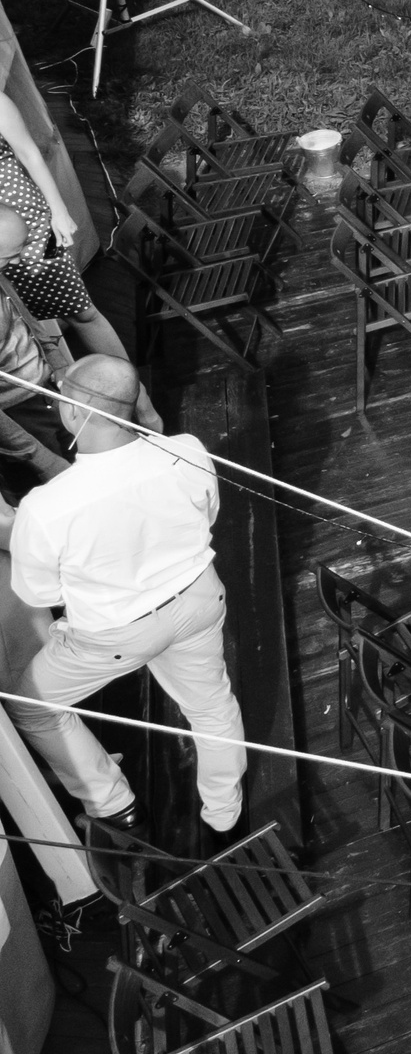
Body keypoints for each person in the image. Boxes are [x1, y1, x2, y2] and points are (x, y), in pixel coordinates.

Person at [5, 357, 247, 842]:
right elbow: (209, 515)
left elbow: (38, 592)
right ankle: (224, 810)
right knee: (212, 705)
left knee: (29, 704)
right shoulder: (187, 450)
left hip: (117, 635)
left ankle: (113, 804)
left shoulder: (46, 506)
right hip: (200, 600)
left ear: (74, 414)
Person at [0, 87, 129, 367]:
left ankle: (140, 402)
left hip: (27, 226)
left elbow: (29, 153)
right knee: (16, 327)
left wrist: (58, 211)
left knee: (81, 311)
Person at [0, 209, 72, 482]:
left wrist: (60, 366)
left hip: (46, 391)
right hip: (20, 416)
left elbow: (27, 322)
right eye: (10, 255)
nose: (18, 260)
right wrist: (40, 457)